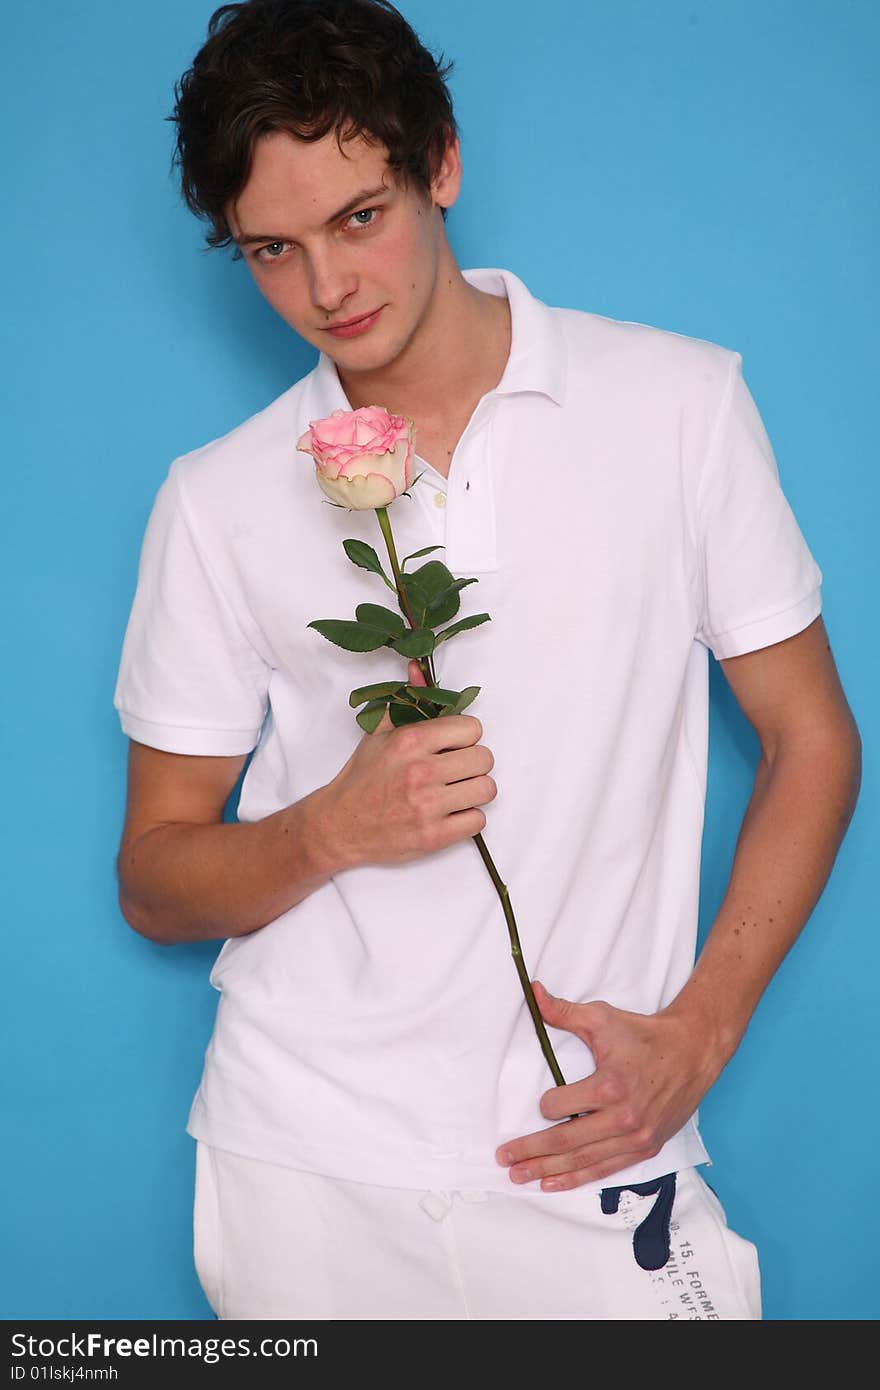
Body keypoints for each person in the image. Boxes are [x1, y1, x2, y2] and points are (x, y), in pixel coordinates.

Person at [113, 0, 861, 1321]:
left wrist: (701, 1031)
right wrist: (330, 828)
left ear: (440, 164)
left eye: (359, 217)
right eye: (271, 252)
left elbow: (812, 737)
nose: (329, 289)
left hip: (592, 1140)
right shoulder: (217, 498)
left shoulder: (681, 408)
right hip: (303, 1161)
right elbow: (156, 874)